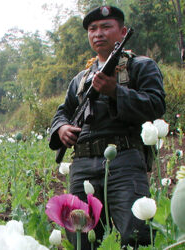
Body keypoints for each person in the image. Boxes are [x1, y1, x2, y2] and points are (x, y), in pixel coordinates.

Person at [48, 6, 166, 249]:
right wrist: (61, 129)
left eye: (106, 27)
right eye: (93, 29)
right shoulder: (80, 79)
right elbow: (63, 112)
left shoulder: (141, 67)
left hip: (124, 162)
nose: (98, 33)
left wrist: (116, 92)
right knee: (81, 238)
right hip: (82, 166)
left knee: (135, 233)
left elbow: (156, 105)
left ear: (122, 32)